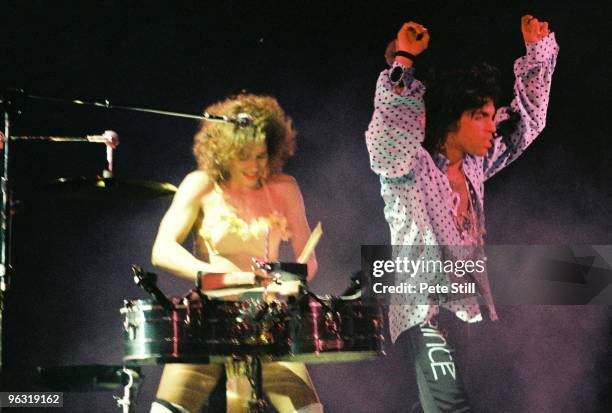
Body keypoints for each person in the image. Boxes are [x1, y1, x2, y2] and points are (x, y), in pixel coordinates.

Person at [365, 16, 558, 411]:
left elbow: (526, 122)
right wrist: (402, 59)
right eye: (481, 117)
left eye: (491, 116)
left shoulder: (474, 166)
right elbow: (387, 134)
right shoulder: (408, 167)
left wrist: (536, 53)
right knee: (452, 407)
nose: (492, 126)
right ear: (453, 121)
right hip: (422, 308)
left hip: (462, 310)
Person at [149, 94, 323, 413]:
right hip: (209, 315)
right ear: (224, 151)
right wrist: (222, 277)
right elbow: (162, 249)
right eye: (244, 156)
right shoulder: (199, 184)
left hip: (268, 319)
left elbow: (307, 262)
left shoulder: (285, 188)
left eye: (261, 155)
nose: (255, 166)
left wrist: (290, 281)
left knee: (309, 410)